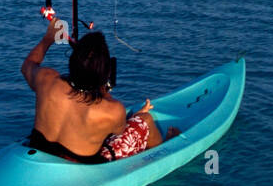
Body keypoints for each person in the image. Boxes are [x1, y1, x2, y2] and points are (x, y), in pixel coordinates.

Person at [21, 22, 180, 163]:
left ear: (73, 60)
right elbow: (117, 131)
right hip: (80, 167)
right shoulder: (113, 110)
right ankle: (165, 151)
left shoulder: (47, 80)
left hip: (41, 151)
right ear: (105, 72)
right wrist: (134, 116)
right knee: (145, 120)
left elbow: (28, 64)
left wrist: (48, 38)